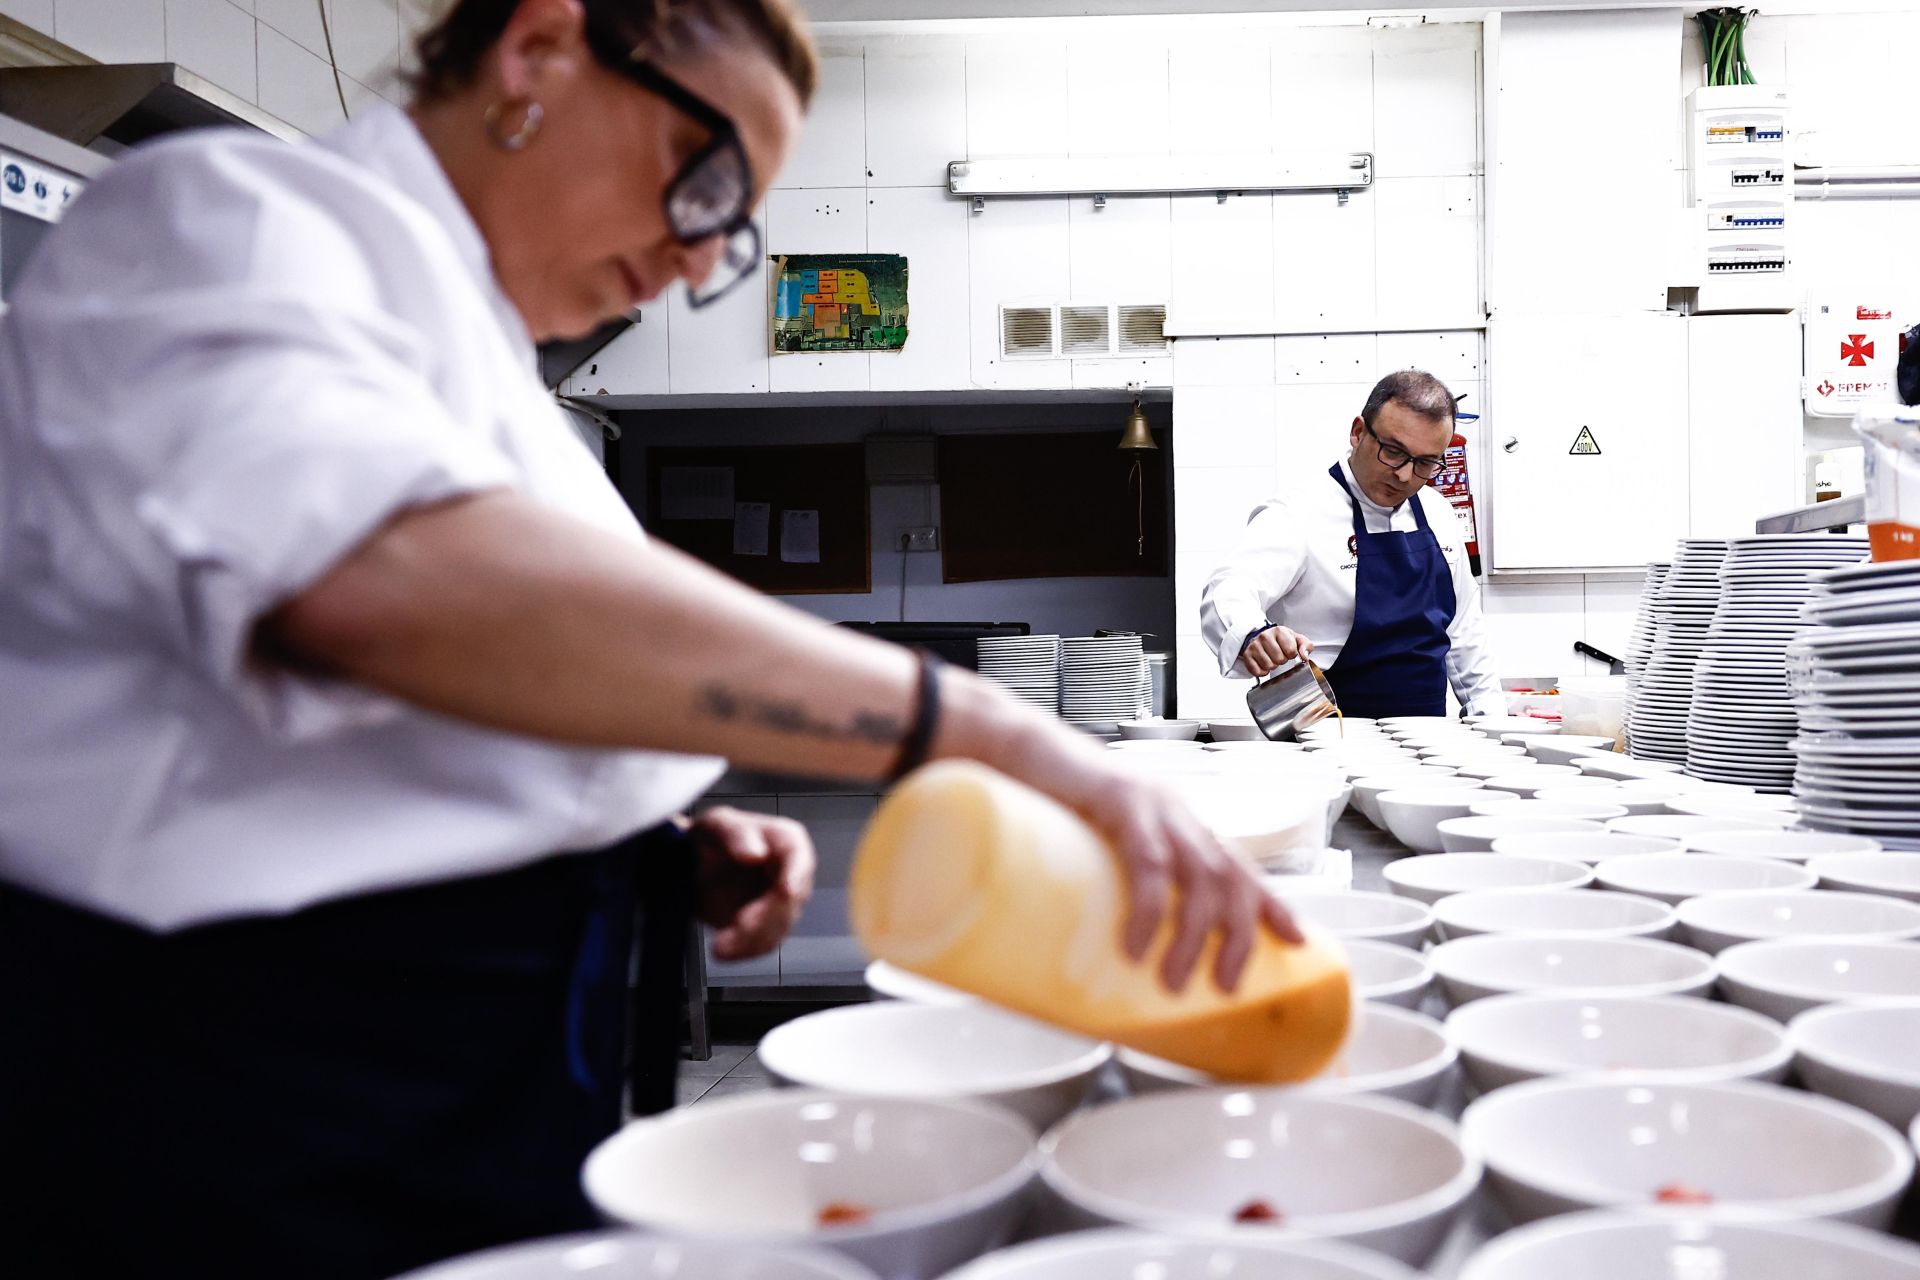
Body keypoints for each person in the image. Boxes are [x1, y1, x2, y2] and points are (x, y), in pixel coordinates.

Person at [0, 1, 1296, 1276]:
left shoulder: (486, 365)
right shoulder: (224, 226)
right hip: (249, 1108)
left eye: (729, 230)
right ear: (539, 48)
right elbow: (387, 584)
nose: (695, 258)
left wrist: (638, 836)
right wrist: (987, 728)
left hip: (468, 1098)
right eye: (708, 180)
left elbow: (389, 726)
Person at [1200, 370, 1505, 719]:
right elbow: (1229, 588)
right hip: (1321, 736)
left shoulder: (1439, 512)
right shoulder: (1299, 513)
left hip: (1426, 741)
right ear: (1358, 432)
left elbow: (1464, 630)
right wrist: (1255, 633)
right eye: (1393, 452)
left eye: (1425, 463)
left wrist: (1490, 721)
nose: (1405, 475)